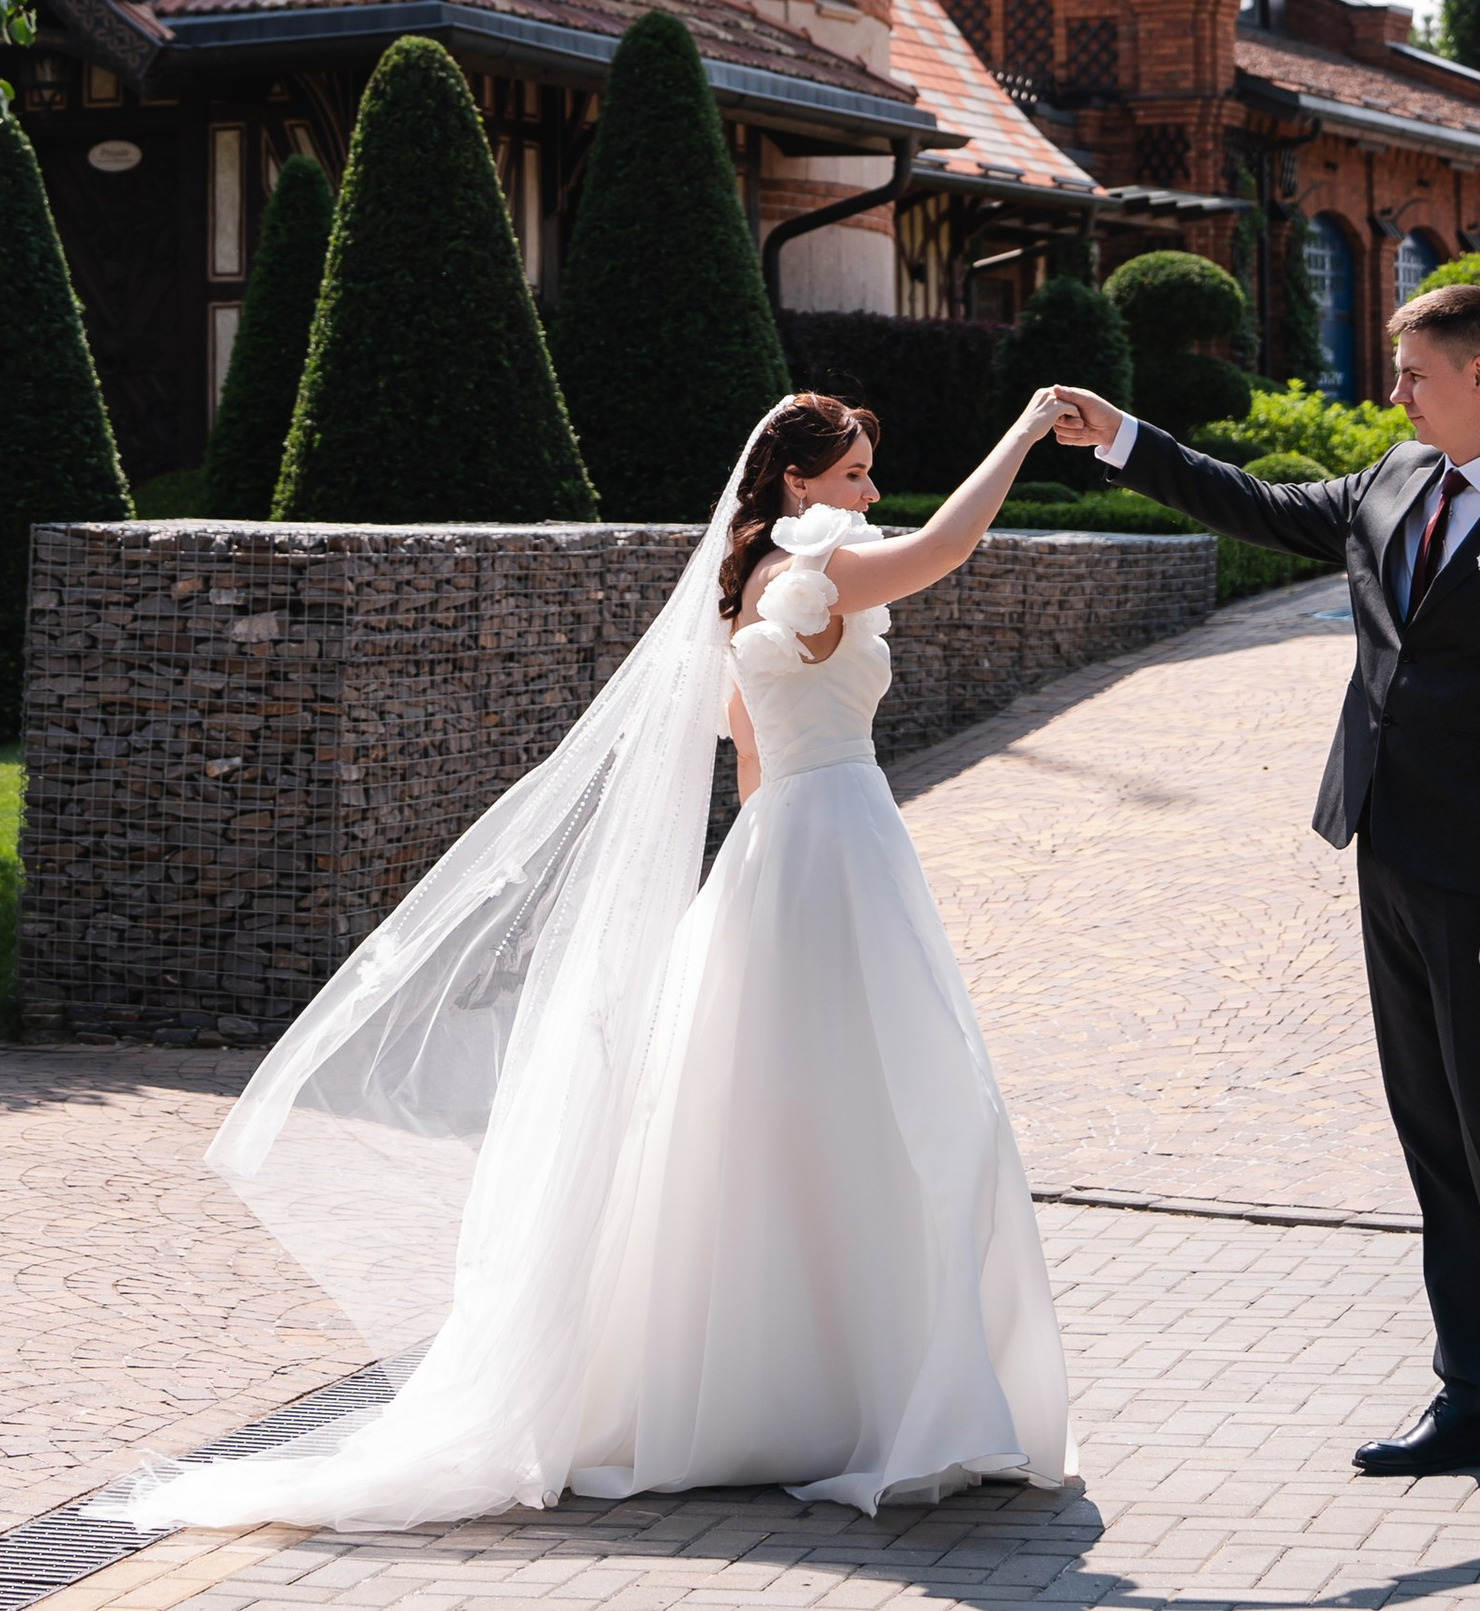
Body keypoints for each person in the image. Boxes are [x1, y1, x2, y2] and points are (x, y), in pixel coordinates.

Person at [89, 387, 1072, 1536]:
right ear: (800, 483)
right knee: (881, 1102)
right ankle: (863, 1388)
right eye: (853, 474)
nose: (867, 493)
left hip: (789, 848)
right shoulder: (814, 571)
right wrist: (1020, 426)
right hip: (838, 843)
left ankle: (801, 1386)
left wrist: (753, 883)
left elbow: (752, 760)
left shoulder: (754, 583)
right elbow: (947, 548)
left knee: (784, 1111)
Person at [1052, 280, 1480, 1510]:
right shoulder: (1389, 484)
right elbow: (1258, 505)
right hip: (1386, 852)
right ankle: (1478, 1397)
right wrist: (1121, 435)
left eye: (1412, 370)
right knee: (1434, 1136)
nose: (1394, 391)